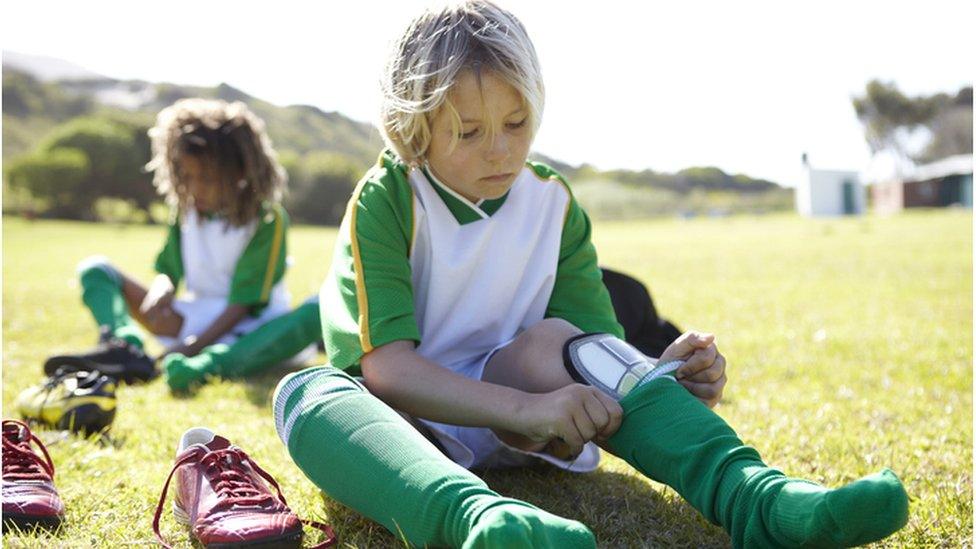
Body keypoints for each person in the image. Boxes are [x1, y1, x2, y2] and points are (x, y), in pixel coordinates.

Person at [272, 2, 909, 547]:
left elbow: (595, 355)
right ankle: (477, 520)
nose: (501, 150)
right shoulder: (388, 198)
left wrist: (661, 378)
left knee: (566, 343)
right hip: (403, 426)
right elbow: (388, 371)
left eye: (517, 124)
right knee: (307, 395)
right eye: (468, 132)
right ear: (413, 131)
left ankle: (759, 500)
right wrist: (529, 408)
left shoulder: (552, 202)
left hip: (530, 416)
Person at [45, 98, 321, 390]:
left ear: (240, 171)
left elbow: (244, 303)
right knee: (96, 269)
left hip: (255, 332)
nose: (194, 188)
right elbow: (169, 269)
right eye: (186, 176)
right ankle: (124, 347)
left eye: (207, 178)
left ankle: (203, 368)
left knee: (319, 308)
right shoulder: (185, 211)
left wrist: (192, 347)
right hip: (194, 317)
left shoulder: (267, 218)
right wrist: (162, 289)